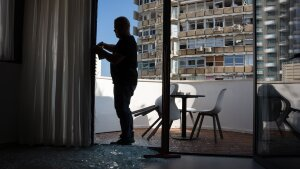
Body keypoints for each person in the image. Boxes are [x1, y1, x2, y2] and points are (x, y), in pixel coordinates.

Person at [95, 16, 137, 145]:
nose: (114, 30)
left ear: (123, 27)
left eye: (116, 28)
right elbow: (116, 49)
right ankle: (128, 135)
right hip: (124, 80)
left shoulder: (127, 41)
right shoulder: (126, 41)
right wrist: (106, 46)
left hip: (124, 81)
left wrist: (100, 51)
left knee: (122, 108)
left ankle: (127, 137)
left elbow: (115, 59)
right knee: (124, 108)